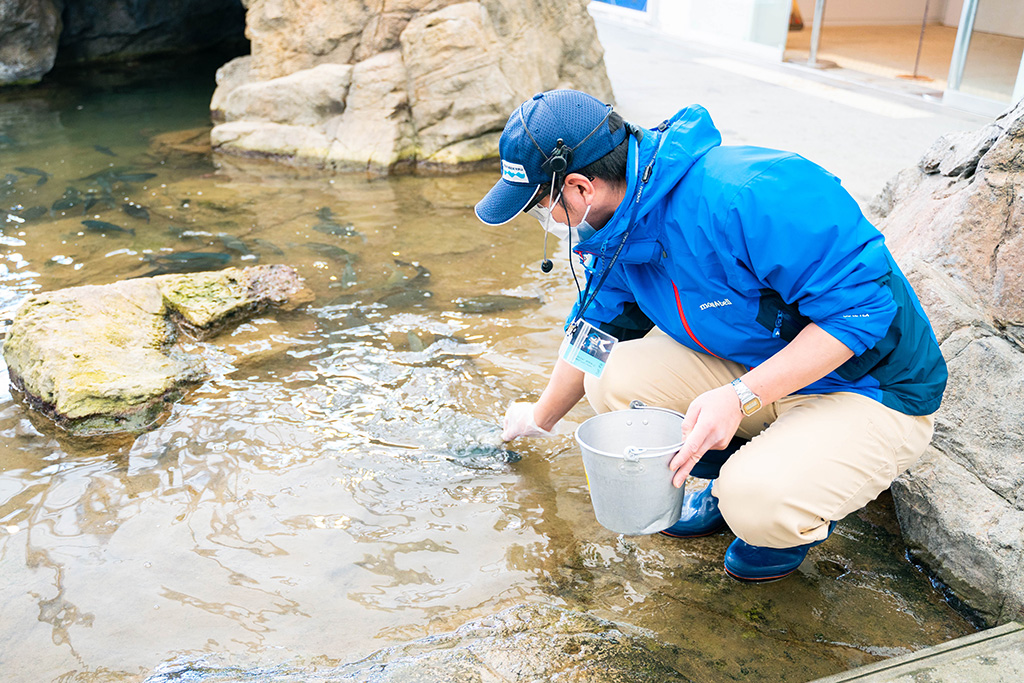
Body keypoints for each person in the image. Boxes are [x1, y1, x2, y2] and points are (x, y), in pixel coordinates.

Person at [473, 89, 947, 582]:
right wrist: (539, 418)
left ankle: (776, 514)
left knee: (756, 502)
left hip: (868, 385)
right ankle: (734, 470)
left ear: (580, 187)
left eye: (539, 204)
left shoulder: (754, 192)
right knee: (612, 379)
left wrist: (740, 397)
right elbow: (596, 332)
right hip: (761, 365)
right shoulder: (617, 226)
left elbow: (860, 316)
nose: (543, 218)